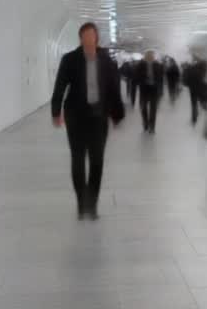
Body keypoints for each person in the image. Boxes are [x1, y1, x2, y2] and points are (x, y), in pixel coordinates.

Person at [51, 22, 126, 220]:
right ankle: (81, 202)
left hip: (98, 117)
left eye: (91, 36)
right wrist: (55, 111)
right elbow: (60, 85)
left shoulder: (106, 61)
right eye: (84, 37)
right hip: (75, 115)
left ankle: (92, 203)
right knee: (77, 158)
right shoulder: (70, 60)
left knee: (97, 160)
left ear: (96, 38)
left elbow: (113, 88)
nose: (88, 40)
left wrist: (117, 113)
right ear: (80, 39)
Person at [136, 50, 165, 133]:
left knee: (153, 109)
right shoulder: (140, 65)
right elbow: (136, 76)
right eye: (148, 55)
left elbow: (161, 79)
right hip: (144, 90)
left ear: (153, 56)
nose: (149, 56)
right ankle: (145, 124)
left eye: (151, 55)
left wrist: (161, 91)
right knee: (143, 108)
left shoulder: (158, 65)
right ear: (145, 56)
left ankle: (152, 127)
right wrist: (142, 80)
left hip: (154, 90)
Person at [185, 56, 207, 126]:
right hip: (200, 88)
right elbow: (205, 78)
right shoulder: (203, 68)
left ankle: (194, 118)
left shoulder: (191, 67)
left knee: (194, 103)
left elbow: (187, 77)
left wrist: (188, 84)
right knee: (202, 101)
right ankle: (203, 111)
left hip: (192, 88)